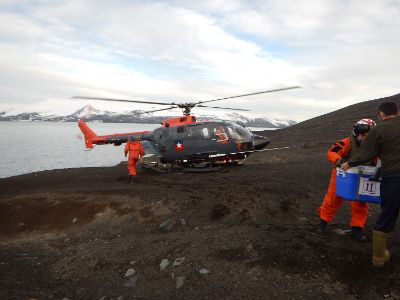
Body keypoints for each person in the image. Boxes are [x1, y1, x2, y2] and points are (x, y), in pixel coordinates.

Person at [341, 101, 400, 267]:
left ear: (381, 114)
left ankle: (379, 258)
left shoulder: (379, 130)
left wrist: (348, 163)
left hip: (393, 177)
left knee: (388, 214)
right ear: (397, 112)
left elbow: (366, 153)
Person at [318, 119, 377, 241]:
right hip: (342, 174)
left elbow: (381, 159)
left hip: (362, 175)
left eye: (367, 135)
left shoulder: (376, 146)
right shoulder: (346, 142)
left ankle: (357, 229)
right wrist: (339, 162)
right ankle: (322, 224)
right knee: (332, 199)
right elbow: (331, 152)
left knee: (360, 202)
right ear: (356, 132)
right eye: (362, 134)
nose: (363, 137)